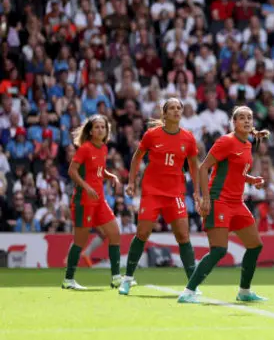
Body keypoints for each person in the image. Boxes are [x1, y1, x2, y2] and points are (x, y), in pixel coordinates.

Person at [178, 106, 269, 303]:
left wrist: (251, 180)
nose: (246, 120)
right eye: (242, 118)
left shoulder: (247, 144)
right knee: (219, 250)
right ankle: (188, 292)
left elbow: (235, 172)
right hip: (219, 201)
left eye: (249, 118)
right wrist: (205, 198)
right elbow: (203, 168)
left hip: (237, 202)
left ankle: (244, 292)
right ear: (234, 122)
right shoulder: (226, 141)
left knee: (255, 246)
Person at [119, 98, 200, 295]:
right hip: (152, 192)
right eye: (171, 108)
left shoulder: (188, 138)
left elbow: (194, 166)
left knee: (183, 235)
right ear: (164, 114)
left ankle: (192, 285)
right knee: (143, 233)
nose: (176, 111)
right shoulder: (152, 135)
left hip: (175, 193)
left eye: (179, 108)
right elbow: (137, 156)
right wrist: (131, 182)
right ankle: (127, 278)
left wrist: (197, 191)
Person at [63, 115, 122, 290]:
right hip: (84, 202)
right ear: (90, 131)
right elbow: (72, 171)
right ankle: (68, 280)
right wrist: (86, 187)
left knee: (115, 233)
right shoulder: (85, 149)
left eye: (103, 127)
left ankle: (116, 278)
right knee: (80, 241)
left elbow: (98, 170)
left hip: (99, 201)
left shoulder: (103, 148)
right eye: (96, 127)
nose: (100, 130)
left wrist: (110, 175)